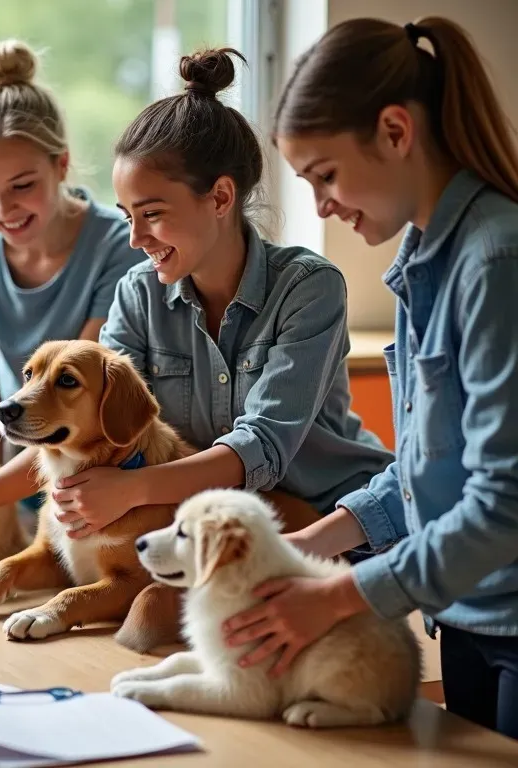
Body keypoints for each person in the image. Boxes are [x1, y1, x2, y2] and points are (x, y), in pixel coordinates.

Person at [0, 47, 394, 559]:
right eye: (127, 215)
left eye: (151, 213)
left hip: (339, 531)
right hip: (212, 532)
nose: (134, 238)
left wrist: (131, 489)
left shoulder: (308, 288)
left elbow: (263, 445)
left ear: (220, 198)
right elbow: (80, 424)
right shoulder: (137, 293)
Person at [220, 17, 518, 741]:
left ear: (394, 131)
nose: (321, 206)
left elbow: (503, 502)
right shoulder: (424, 258)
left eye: (325, 175)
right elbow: (424, 472)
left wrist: (342, 596)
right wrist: (301, 553)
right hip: (466, 616)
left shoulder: (494, 263)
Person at [0, 39, 145, 472]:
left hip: (97, 459)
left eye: (22, 186)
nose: (3, 209)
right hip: (23, 450)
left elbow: (86, 393)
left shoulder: (118, 246)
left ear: (61, 165)